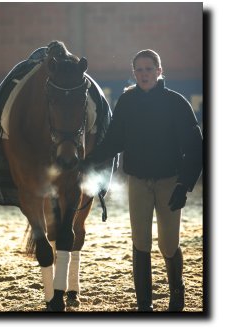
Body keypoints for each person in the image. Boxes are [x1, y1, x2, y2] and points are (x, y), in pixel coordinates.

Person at [81, 49, 202, 312]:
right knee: (141, 241)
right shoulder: (126, 102)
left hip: (170, 181)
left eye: (149, 69)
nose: (144, 74)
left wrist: (184, 184)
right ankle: (144, 304)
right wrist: (90, 160)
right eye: (139, 70)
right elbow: (114, 140)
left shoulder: (176, 103)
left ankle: (176, 292)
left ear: (159, 71)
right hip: (137, 181)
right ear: (134, 72)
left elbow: (195, 146)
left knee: (168, 243)